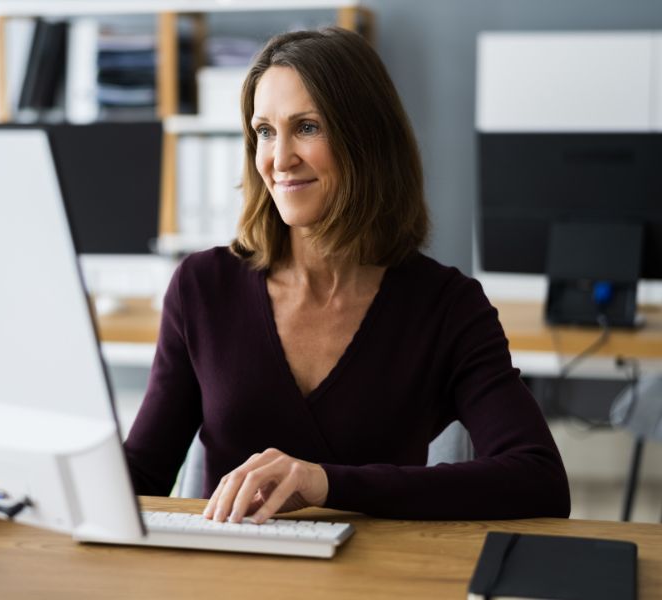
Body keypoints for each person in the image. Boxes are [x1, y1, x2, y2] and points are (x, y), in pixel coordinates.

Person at [122, 27, 571, 524]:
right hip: (232, 577)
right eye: (265, 132)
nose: (279, 158)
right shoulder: (203, 287)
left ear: (367, 140)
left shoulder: (446, 306)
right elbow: (141, 475)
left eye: (307, 127)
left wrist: (326, 483)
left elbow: (538, 481)